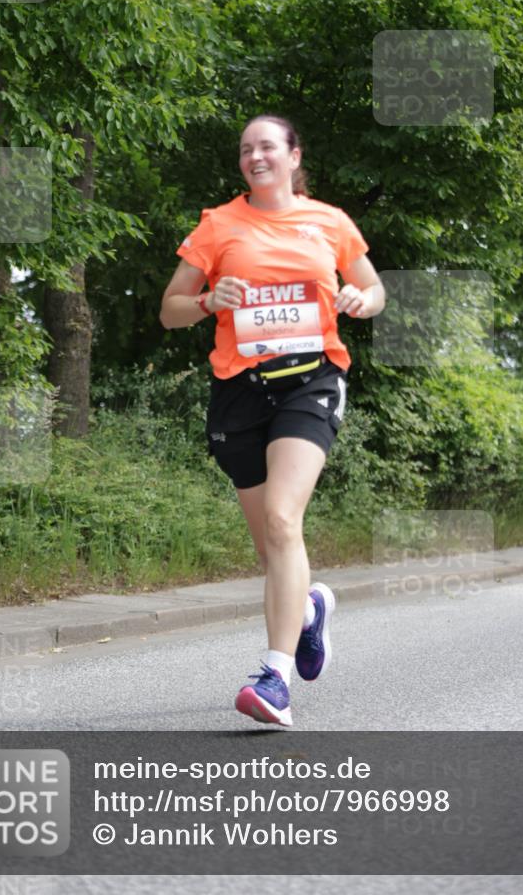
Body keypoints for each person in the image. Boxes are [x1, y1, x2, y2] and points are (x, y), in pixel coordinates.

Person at [160, 115, 385, 727]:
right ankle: (307, 610)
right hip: (239, 391)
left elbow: (373, 289)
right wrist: (208, 300)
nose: (254, 156)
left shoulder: (329, 221)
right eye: (245, 149)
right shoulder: (217, 225)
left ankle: (274, 679)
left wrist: (361, 299)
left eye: (266, 146)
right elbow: (170, 311)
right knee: (271, 546)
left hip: (311, 381)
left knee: (285, 520)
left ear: (293, 156)